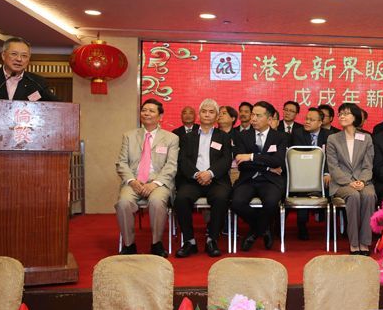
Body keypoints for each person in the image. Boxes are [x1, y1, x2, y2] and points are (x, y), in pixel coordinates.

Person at [115, 98, 179, 257]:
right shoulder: (129, 136)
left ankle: (156, 243)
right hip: (134, 181)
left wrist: (155, 183)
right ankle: (129, 244)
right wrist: (132, 181)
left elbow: (171, 166)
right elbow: (121, 163)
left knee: (157, 202)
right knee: (123, 203)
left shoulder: (171, 138)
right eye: (144, 110)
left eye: (151, 111)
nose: (147, 113)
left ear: (160, 116)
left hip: (158, 183)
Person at [173, 99, 232, 258]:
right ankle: (189, 241)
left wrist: (210, 173)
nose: (207, 114)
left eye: (211, 112)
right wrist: (197, 174)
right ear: (199, 115)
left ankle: (212, 240)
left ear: (217, 116)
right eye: (204, 111)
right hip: (193, 179)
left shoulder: (224, 137)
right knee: (181, 199)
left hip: (216, 180)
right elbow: (183, 160)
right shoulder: (187, 137)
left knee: (221, 198)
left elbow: (226, 160)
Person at [231, 101, 288, 251]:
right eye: (252, 115)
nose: (253, 118)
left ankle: (253, 232)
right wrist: (268, 166)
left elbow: (278, 161)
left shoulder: (280, 137)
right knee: (237, 203)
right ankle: (264, 228)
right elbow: (242, 164)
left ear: (269, 119)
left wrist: (251, 157)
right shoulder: (241, 136)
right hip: (248, 179)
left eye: (258, 115)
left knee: (271, 203)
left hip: (270, 181)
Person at [326, 103, 376, 255]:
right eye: (340, 114)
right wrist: (349, 182)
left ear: (355, 117)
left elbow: (368, 165)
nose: (342, 116)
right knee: (353, 196)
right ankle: (354, 243)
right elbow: (333, 167)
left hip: (363, 181)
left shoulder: (366, 138)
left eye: (346, 113)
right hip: (341, 183)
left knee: (369, 195)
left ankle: (365, 242)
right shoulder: (333, 139)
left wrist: (362, 181)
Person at [291, 107, 332, 239]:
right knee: (302, 188)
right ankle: (302, 225)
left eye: (311, 120)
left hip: (323, 173)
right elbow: (298, 157)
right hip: (303, 173)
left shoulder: (329, 135)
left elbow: (331, 157)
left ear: (320, 123)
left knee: (333, 186)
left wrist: (327, 173)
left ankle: (331, 228)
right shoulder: (298, 133)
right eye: (306, 119)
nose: (307, 122)